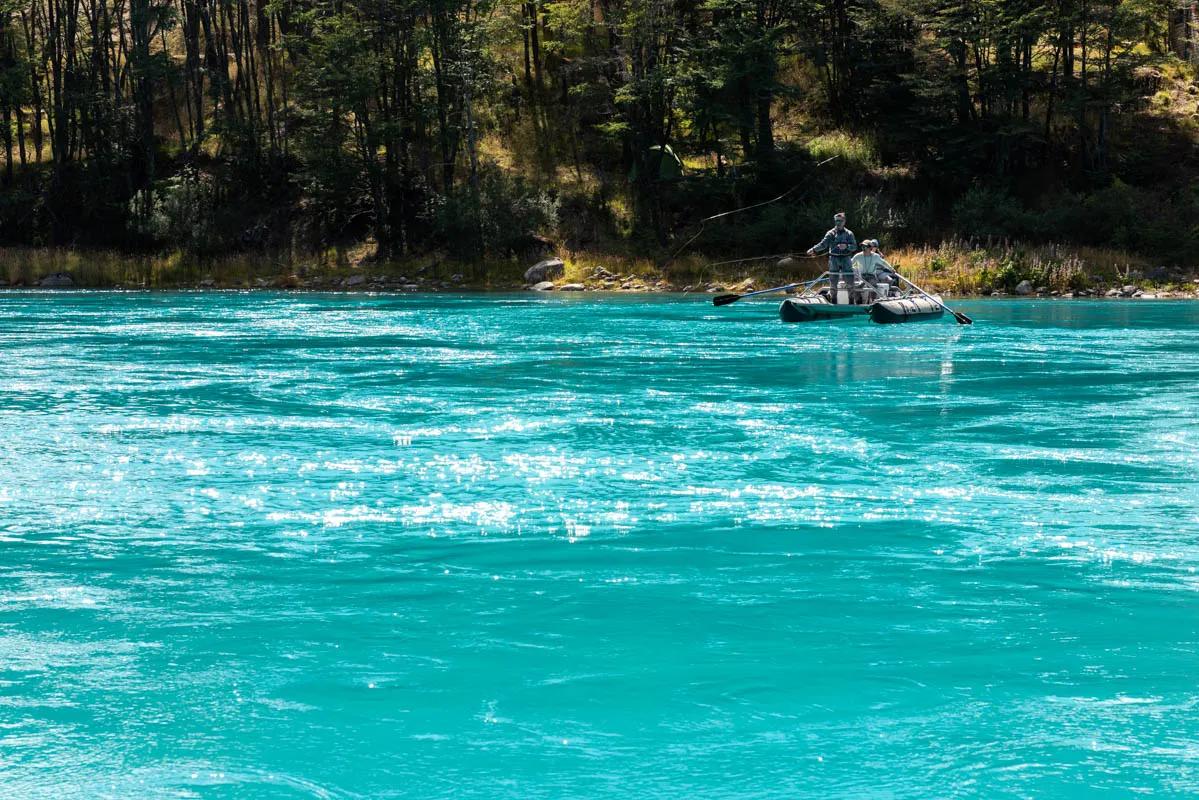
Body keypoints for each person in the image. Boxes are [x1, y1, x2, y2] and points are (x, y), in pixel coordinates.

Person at [806, 212, 857, 302]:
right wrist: (813, 250)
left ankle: (851, 301)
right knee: (833, 282)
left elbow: (854, 247)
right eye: (836, 221)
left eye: (840, 221)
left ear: (844, 221)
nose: (838, 223)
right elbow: (823, 244)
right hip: (833, 259)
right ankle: (833, 301)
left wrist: (847, 247)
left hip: (846, 259)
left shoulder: (849, 233)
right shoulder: (830, 233)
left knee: (850, 281)